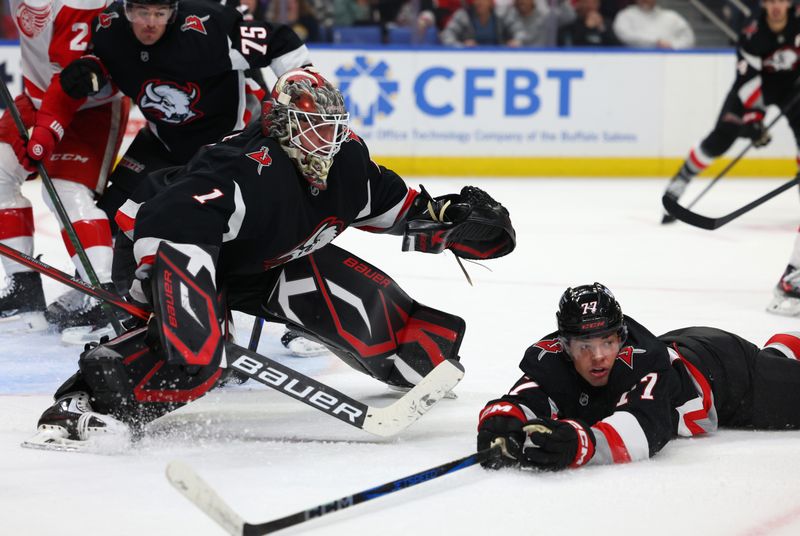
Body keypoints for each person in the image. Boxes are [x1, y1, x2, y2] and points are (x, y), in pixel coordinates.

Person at [24, 67, 516, 450]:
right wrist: (176, 298)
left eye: (333, 131)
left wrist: (452, 222)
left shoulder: (348, 165)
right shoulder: (245, 167)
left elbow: (404, 210)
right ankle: (83, 402)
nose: (328, 144)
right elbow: (171, 216)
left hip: (265, 263)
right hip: (179, 246)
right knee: (192, 352)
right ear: (281, 124)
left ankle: (408, 356)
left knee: (400, 341)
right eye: (314, 131)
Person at [14, 0, 312, 343]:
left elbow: (281, 40)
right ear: (126, 10)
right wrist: (91, 71)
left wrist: (304, 92)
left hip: (225, 149)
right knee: (115, 219)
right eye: (142, 12)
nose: (150, 23)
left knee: (246, 231)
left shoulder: (206, 29)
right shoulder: (110, 29)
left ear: (173, 12)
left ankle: (297, 315)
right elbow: (101, 68)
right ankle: (115, 302)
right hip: (163, 143)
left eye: (159, 14)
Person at [477, 282, 800, 470]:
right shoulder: (552, 358)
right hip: (688, 343)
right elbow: (524, 396)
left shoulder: (647, 361)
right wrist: (501, 419)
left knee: (776, 378)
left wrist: (582, 442)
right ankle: (781, 350)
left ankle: (775, 356)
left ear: (622, 337)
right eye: (585, 345)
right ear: (565, 344)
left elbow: (648, 426)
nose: (599, 355)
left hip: (728, 375)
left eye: (608, 341)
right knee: (774, 364)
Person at [661, 0, 800, 315]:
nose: (777, 6)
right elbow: (748, 79)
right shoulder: (752, 31)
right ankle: (682, 178)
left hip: (794, 89)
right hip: (757, 89)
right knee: (722, 137)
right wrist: (752, 119)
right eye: (771, 0)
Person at [0, 0, 129, 335]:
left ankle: (102, 294)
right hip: (36, 98)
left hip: (91, 106)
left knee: (64, 192)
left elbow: (71, 80)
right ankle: (23, 286)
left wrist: (46, 131)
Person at [612, 0, 694, 49]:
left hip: (669, 63)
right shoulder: (625, 15)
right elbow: (625, 35)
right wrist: (655, 42)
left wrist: (672, 45)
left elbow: (688, 38)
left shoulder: (671, 16)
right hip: (634, 61)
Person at [440, 0, 526, 47]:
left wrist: (516, 41)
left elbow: (519, 31)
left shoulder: (502, 14)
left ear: (490, 2)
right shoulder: (463, 15)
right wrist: (462, 46)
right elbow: (447, 35)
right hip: (470, 59)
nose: (479, 2)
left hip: (499, 58)